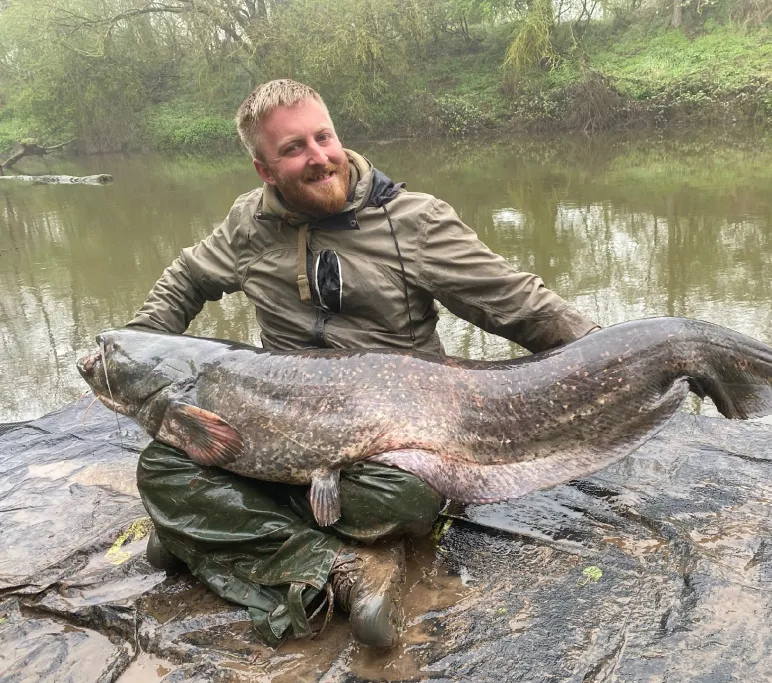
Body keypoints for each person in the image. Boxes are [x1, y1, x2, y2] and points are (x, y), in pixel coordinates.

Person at [128, 79, 599, 649]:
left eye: (323, 136)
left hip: (395, 442)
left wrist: (618, 353)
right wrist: (136, 347)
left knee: (406, 498)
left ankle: (223, 533)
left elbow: (519, 303)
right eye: (293, 148)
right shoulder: (247, 226)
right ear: (265, 170)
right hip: (280, 431)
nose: (320, 157)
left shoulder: (414, 221)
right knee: (162, 467)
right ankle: (346, 567)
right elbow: (186, 279)